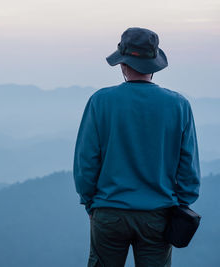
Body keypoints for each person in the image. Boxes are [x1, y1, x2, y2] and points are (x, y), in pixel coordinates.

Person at [73, 27, 201, 267]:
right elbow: (188, 166)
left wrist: (90, 202)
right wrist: (182, 203)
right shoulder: (179, 105)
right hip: (159, 215)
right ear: (154, 66)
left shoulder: (100, 101)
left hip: (109, 211)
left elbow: (86, 161)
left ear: (122, 64)